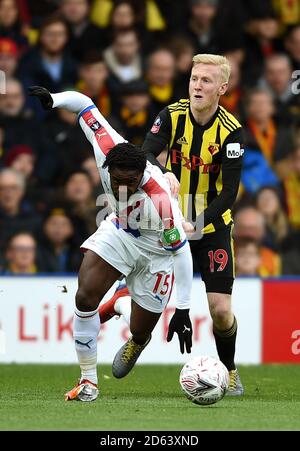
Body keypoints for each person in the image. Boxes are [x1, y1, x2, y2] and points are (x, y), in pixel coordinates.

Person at [29, 85, 193, 402]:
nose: (122, 188)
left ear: (142, 175)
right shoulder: (106, 145)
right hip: (119, 230)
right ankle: (88, 381)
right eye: (116, 181)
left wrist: (183, 310)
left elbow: (182, 254)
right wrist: (55, 100)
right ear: (107, 169)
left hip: (157, 253)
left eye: (131, 183)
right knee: (85, 294)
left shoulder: (161, 202)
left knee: (141, 329)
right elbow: (85, 105)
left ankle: (123, 306)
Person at [142, 53, 245, 396]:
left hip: (212, 226)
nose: (197, 85)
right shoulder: (171, 116)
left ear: (222, 88)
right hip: (170, 224)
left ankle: (229, 371)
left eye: (206, 80)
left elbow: (229, 194)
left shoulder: (232, 133)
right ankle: (130, 344)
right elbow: (144, 153)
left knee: (220, 309)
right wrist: (165, 171)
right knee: (145, 295)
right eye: (194, 78)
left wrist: (197, 224)